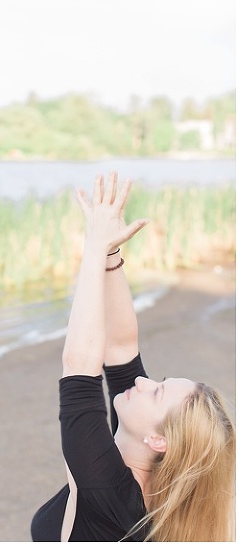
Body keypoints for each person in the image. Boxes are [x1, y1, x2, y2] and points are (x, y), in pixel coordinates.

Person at [31, 173, 235, 542]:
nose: (142, 382)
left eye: (156, 392)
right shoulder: (150, 481)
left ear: (159, 442)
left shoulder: (106, 490)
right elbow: (122, 350)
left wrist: (93, 247)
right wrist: (110, 254)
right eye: (157, 383)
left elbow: (80, 370)